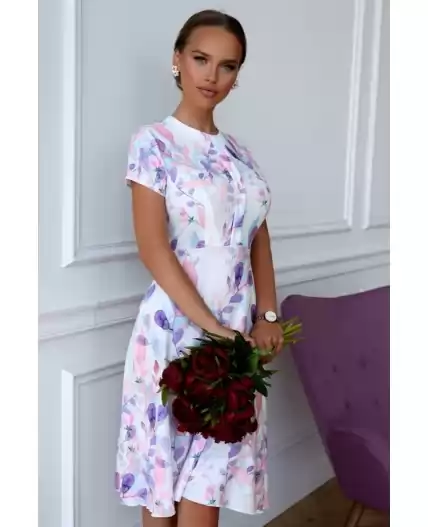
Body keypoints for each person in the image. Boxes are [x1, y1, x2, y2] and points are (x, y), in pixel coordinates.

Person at [116, 9, 283, 527]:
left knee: (205, 495)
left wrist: (268, 315)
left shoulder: (240, 154)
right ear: (178, 61)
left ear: (237, 76)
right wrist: (214, 330)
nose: (212, 76)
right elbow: (153, 249)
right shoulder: (152, 143)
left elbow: (257, 236)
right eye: (200, 59)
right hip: (173, 336)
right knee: (162, 490)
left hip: (234, 344)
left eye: (227, 66)